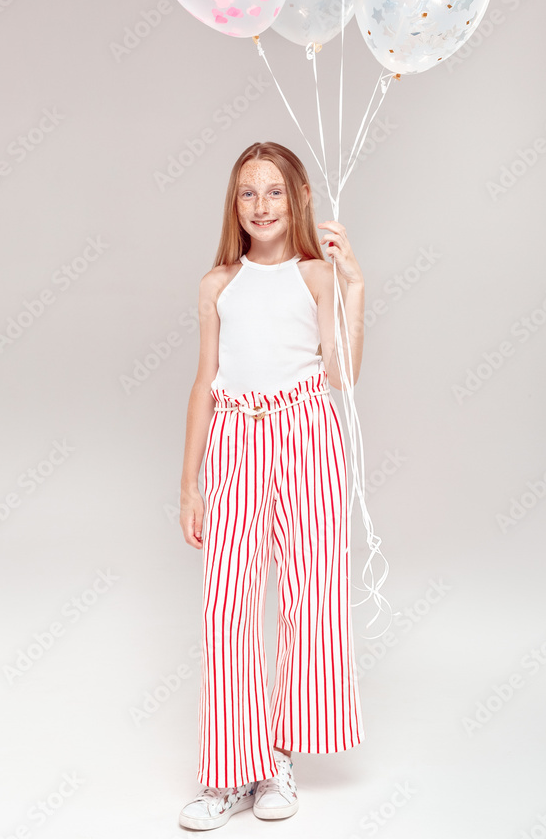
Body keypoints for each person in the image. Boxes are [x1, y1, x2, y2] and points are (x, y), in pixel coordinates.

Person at [177, 141, 366, 830]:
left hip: (307, 433)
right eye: (248, 193)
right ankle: (229, 769)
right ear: (235, 204)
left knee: (310, 597)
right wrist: (189, 484)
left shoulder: (317, 276)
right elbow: (204, 381)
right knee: (225, 608)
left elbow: (342, 375)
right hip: (235, 438)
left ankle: (276, 760)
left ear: (300, 198)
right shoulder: (217, 284)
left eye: (275, 191)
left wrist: (353, 287)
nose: (261, 205)